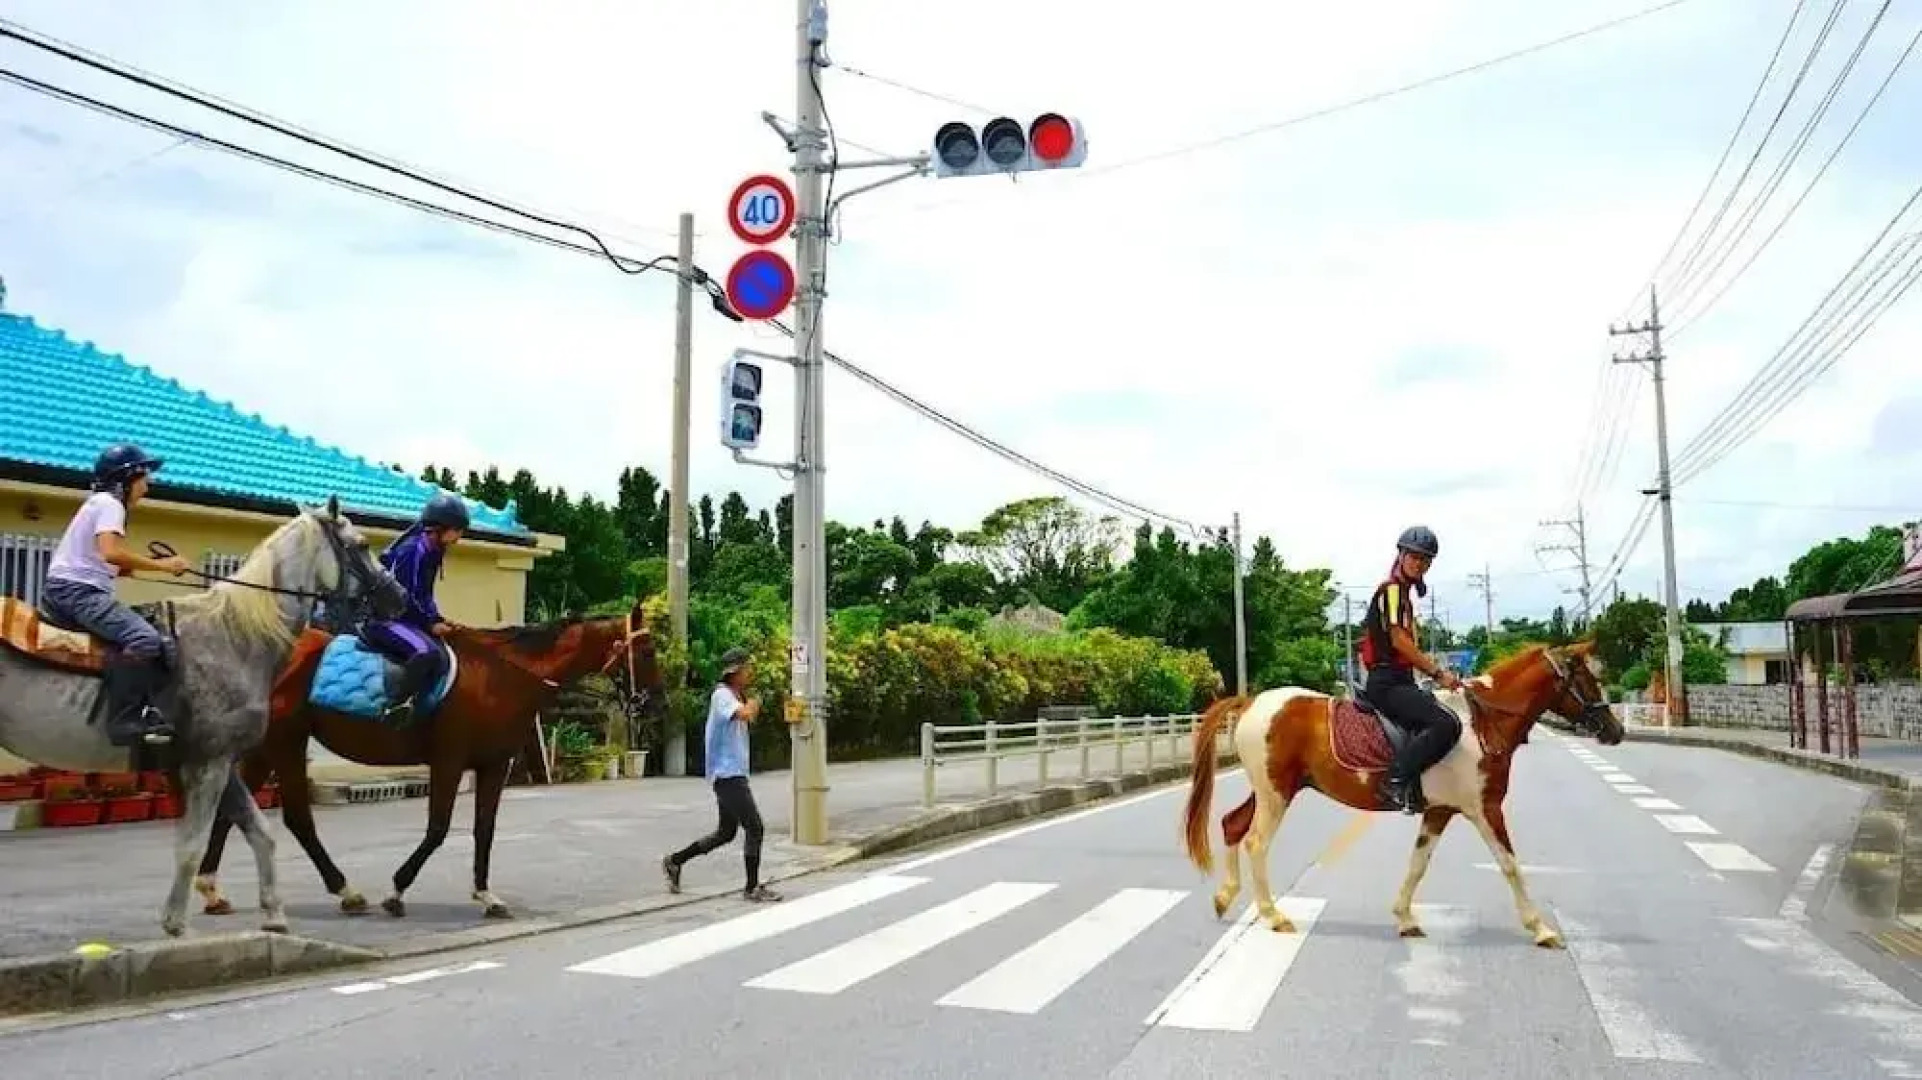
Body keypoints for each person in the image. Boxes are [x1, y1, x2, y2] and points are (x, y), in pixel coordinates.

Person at [40, 443, 193, 746]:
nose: (147, 488)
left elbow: (102, 560)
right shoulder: (111, 505)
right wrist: (164, 566)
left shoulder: (98, 504)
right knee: (146, 639)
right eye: (144, 480)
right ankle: (125, 720)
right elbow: (110, 553)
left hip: (69, 588)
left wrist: (131, 570)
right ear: (126, 479)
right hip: (77, 592)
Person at [661, 647, 783, 903]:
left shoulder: (734, 695)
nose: (750, 673)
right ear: (734, 672)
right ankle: (752, 887)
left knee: (726, 833)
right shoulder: (722, 695)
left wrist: (749, 702)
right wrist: (753, 703)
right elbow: (745, 714)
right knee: (755, 827)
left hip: (731, 774)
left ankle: (675, 861)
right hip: (728, 775)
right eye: (746, 668)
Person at [1356, 525, 1463, 814]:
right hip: (1387, 683)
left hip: (1400, 680)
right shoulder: (1392, 592)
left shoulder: (1402, 594)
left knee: (1434, 715)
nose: (1420, 564)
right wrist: (1439, 673)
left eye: (1426, 560)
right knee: (1446, 724)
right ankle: (1395, 780)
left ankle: (1417, 788)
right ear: (1401, 556)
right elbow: (1399, 641)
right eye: (1415, 557)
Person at [361, 493, 466, 723]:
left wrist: (438, 618)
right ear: (442, 527)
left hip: (404, 618)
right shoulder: (412, 551)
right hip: (383, 619)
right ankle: (395, 706)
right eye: (457, 530)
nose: (459, 538)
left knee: (443, 652)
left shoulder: (432, 551)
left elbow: (424, 595)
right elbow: (405, 596)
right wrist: (430, 624)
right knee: (426, 653)